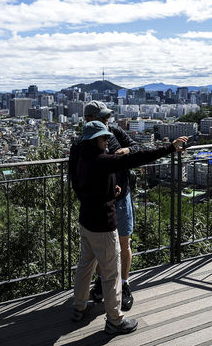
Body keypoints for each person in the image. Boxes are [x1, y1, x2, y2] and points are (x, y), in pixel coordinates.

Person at [70, 120, 189, 335]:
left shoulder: (80, 157)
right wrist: (170, 147)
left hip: (85, 221)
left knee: (85, 265)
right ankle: (114, 320)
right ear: (95, 140)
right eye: (104, 138)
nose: (107, 142)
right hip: (103, 225)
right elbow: (138, 157)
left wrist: (108, 192)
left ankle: (79, 307)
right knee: (112, 273)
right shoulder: (102, 160)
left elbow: (82, 185)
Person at [82, 100, 139, 310]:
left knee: (124, 243)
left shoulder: (114, 131)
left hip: (121, 196)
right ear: (89, 120)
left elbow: (135, 146)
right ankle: (100, 282)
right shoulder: (84, 141)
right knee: (101, 247)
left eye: (107, 118)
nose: (107, 122)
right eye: (102, 118)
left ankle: (124, 285)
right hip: (101, 201)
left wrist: (126, 151)